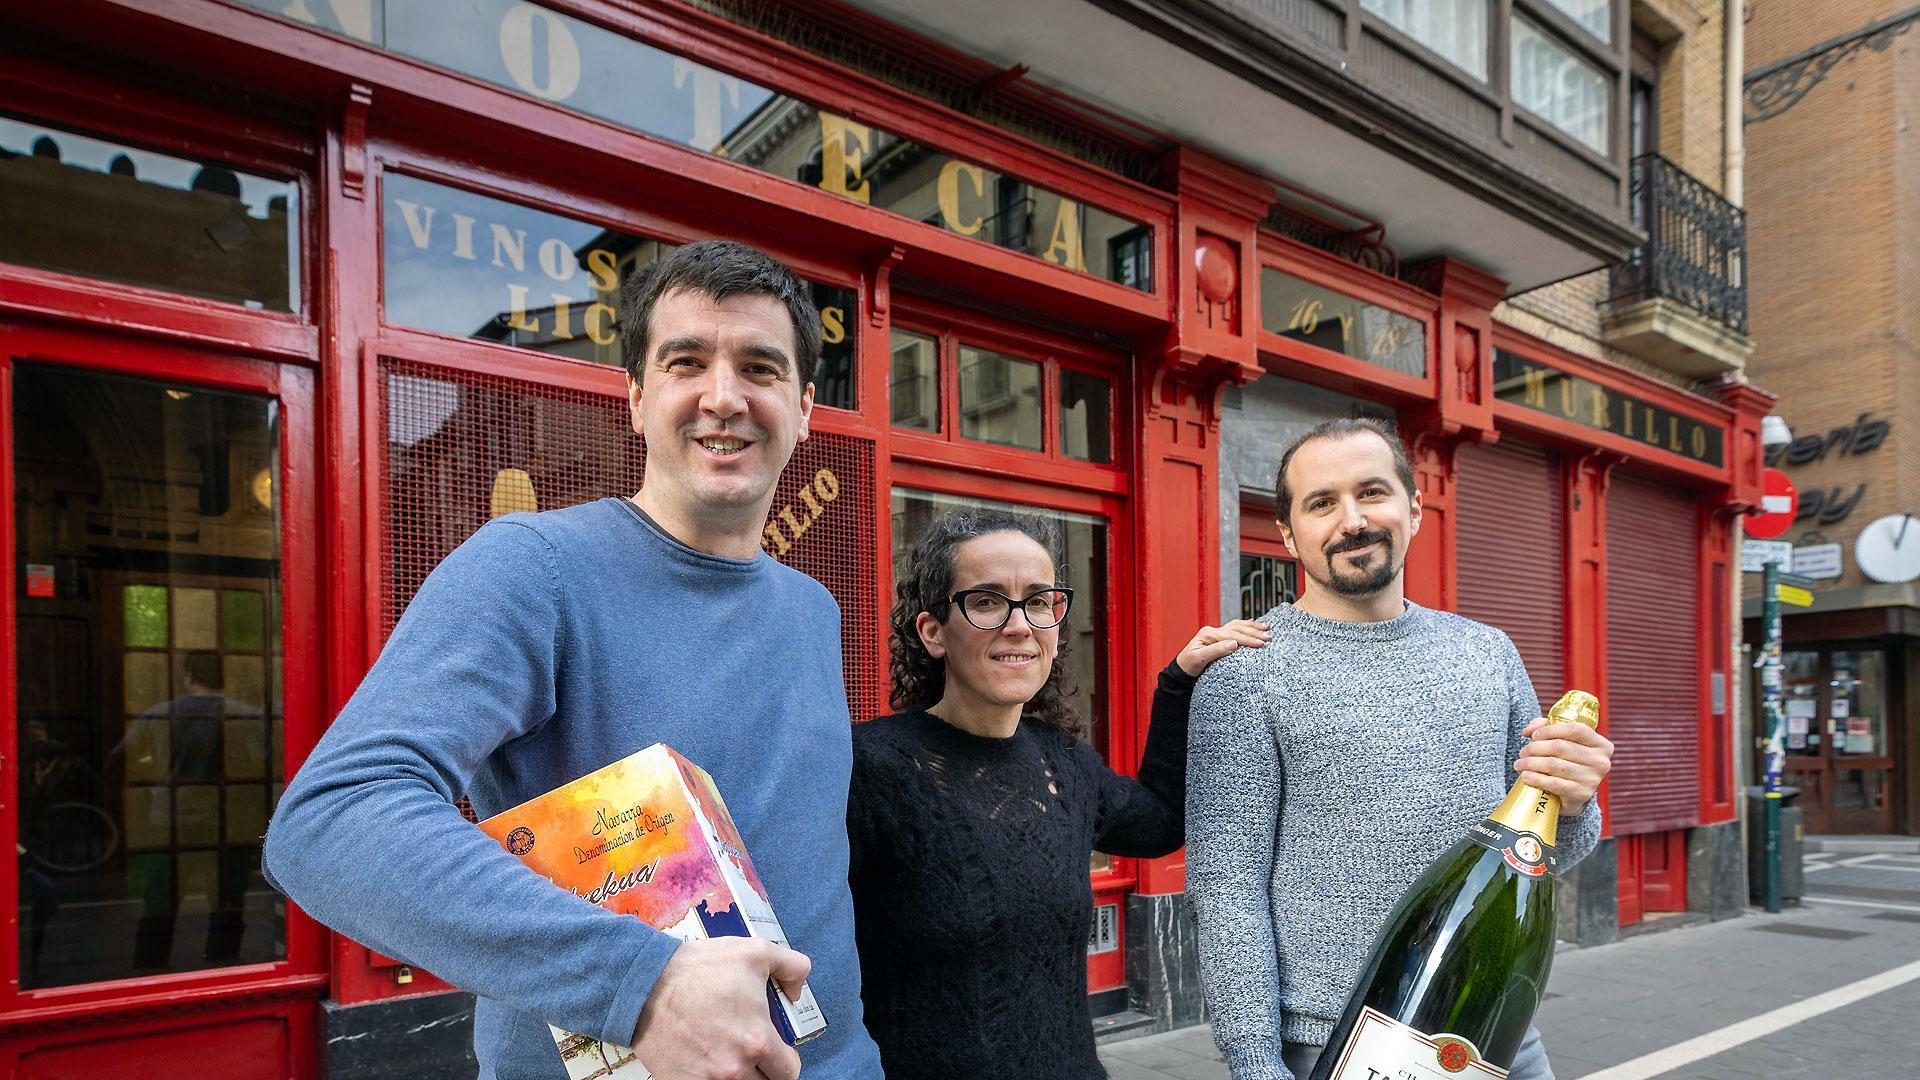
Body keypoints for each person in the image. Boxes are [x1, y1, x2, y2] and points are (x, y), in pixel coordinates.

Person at [263, 240, 884, 1080]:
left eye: (760, 368)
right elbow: (331, 820)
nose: (723, 397)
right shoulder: (533, 568)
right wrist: (644, 985)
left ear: (805, 407)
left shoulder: (814, 609)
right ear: (636, 398)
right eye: (686, 362)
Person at [1185, 417, 1616, 1080]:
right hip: (1340, 1042)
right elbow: (1226, 887)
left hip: (1498, 1032)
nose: (1353, 520)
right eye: (1322, 503)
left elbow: (1550, 853)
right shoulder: (1246, 675)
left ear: (1414, 509)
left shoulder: (1487, 652)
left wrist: (1579, 802)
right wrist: (1255, 1062)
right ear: (1288, 534)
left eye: (1372, 493)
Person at [849, 506, 1270, 1079]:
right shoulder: (871, 767)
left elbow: (1161, 823)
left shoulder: (1064, 762)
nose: (1020, 625)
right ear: (933, 632)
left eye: (1039, 601)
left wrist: (1178, 683)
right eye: (987, 601)